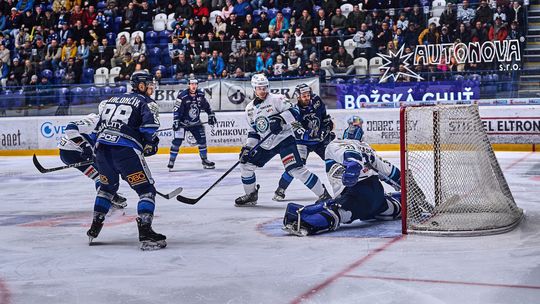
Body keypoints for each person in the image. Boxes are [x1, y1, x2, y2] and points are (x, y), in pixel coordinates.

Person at [283, 116, 402, 236]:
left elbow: (350, 156)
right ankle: (406, 204)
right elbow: (392, 173)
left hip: (355, 195)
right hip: (377, 194)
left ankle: (303, 222)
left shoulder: (335, 144)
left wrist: (353, 166)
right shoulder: (368, 148)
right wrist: (406, 186)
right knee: (388, 206)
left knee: (337, 212)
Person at [87, 71, 166, 250]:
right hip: (125, 151)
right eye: (149, 84)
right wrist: (151, 143)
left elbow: (95, 132)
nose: (152, 87)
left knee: (106, 189)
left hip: (102, 150)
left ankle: (94, 227)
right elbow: (149, 129)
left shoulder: (112, 99)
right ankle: (145, 231)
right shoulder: (147, 102)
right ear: (141, 85)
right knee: (146, 191)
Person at [235, 74, 331, 207]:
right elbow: (254, 132)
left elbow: (295, 111)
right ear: (254, 88)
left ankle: (323, 194)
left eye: (265, 87)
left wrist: (281, 118)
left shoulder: (277, 99)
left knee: (295, 169)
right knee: (246, 165)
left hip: (285, 139)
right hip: (266, 143)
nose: (262, 90)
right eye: (259, 88)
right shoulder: (249, 109)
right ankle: (251, 195)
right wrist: (248, 148)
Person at [273, 84, 335, 201]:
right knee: (295, 167)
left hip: (319, 141)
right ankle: (280, 189)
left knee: (333, 161)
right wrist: (310, 134)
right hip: (301, 142)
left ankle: (343, 188)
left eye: (308, 95)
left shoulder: (316, 100)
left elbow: (324, 117)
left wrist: (326, 129)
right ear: (298, 96)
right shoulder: (293, 108)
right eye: (304, 96)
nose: (307, 98)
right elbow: (296, 129)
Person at [58, 108, 127, 209]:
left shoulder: (111, 125)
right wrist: (84, 146)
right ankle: (108, 199)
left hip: (73, 153)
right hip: (72, 152)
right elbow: (70, 128)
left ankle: (110, 197)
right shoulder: (95, 120)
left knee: (101, 175)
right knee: (101, 176)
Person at [168, 78, 217, 170]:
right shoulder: (182, 96)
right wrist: (176, 120)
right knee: (177, 142)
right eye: (192, 84)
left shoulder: (201, 95)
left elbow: (207, 106)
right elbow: (176, 109)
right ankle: (171, 160)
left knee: (202, 141)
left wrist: (211, 115)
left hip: (195, 123)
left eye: (195, 84)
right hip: (183, 123)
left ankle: (205, 160)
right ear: (188, 85)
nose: (194, 86)